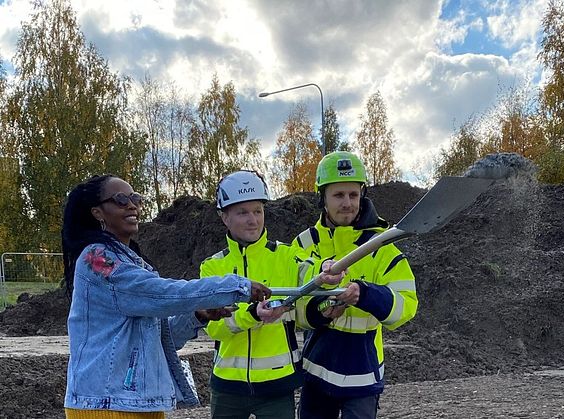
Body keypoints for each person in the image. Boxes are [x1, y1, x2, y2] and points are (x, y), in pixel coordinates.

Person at [62, 174, 272, 419]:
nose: (132, 205)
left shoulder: (133, 263)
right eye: (120, 199)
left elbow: (161, 339)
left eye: (136, 198)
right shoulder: (97, 260)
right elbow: (162, 294)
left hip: (140, 403)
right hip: (104, 403)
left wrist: (196, 316)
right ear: (98, 213)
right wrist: (235, 286)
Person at [199, 170, 344, 419]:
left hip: (277, 386)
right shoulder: (212, 267)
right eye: (242, 212)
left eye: (258, 211)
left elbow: (311, 271)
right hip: (228, 390)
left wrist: (326, 272)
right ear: (224, 217)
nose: (252, 220)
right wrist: (254, 314)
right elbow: (215, 328)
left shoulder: (286, 256)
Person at [294, 151, 419, 419]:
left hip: (362, 376)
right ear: (322, 198)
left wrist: (366, 295)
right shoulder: (304, 245)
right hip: (317, 371)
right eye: (338, 195)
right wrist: (321, 309)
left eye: (353, 194)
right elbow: (294, 309)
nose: (348, 203)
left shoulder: (382, 246)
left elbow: (406, 306)